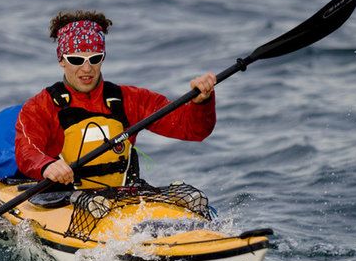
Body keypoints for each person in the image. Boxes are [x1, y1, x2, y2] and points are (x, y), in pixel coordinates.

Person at [15, 10, 217, 190]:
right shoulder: (40, 107)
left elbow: (194, 130)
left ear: (103, 57)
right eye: (76, 60)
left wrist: (201, 103)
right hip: (64, 202)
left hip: (122, 202)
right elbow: (27, 152)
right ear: (61, 60)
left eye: (95, 59)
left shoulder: (131, 100)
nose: (87, 69)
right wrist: (47, 165)